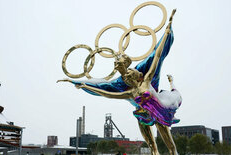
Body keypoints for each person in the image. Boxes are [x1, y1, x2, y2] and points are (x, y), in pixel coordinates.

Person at [59, 10, 180, 155]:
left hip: (160, 110)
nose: (116, 64)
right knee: (153, 148)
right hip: (142, 114)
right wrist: (81, 83)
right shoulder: (122, 87)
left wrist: (167, 31)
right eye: (115, 62)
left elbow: (157, 55)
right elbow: (104, 91)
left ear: (129, 65)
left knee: (171, 147)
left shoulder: (145, 73)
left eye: (119, 62)